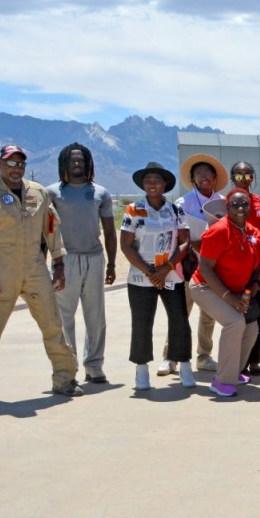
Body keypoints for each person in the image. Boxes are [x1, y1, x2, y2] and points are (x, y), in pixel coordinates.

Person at [0, 145, 80, 405]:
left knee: (52, 324)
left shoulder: (38, 193)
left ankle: (65, 378)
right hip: (1, 271)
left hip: (35, 268)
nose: (15, 169)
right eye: (10, 163)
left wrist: (58, 263)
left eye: (20, 164)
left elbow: (52, 229)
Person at [189, 190, 260, 397]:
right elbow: (206, 269)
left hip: (236, 290)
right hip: (205, 287)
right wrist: (229, 298)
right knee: (235, 322)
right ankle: (221, 381)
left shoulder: (252, 231)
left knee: (251, 328)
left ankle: (233, 372)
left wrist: (255, 284)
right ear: (227, 208)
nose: (241, 208)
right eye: (235, 205)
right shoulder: (218, 231)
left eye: (244, 204)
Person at [119, 162, 193, 391]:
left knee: (179, 320)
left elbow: (185, 242)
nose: (153, 184)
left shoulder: (174, 210)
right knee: (142, 323)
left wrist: (166, 267)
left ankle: (184, 365)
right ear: (143, 184)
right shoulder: (133, 210)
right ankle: (141, 370)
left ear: (165, 185)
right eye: (148, 180)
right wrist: (150, 272)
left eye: (157, 180)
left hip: (170, 274)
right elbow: (126, 246)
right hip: (142, 277)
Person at [46, 142, 116, 384]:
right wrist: (52, 264)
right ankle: (68, 365)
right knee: (64, 316)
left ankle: (94, 365)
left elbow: (109, 232)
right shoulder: (52, 192)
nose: (77, 163)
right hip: (65, 259)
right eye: (72, 160)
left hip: (95, 258)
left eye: (82, 160)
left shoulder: (100, 193)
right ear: (64, 163)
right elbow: (44, 232)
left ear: (88, 163)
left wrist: (112, 264)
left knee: (95, 316)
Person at [162, 153, 227, 376]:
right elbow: (176, 236)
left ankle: (204, 356)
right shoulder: (183, 202)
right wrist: (195, 244)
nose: (204, 178)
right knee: (180, 312)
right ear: (192, 179)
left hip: (213, 266)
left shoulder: (223, 202)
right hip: (188, 265)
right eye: (199, 174)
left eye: (208, 174)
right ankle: (170, 357)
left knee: (208, 314)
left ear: (215, 177)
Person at [230, 161, 260, 376]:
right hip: (232, 267)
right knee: (234, 316)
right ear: (231, 177)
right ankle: (237, 360)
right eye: (238, 175)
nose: (243, 180)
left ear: (253, 177)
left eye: (247, 175)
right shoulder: (225, 203)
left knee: (257, 313)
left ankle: (254, 361)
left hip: (257, 269)